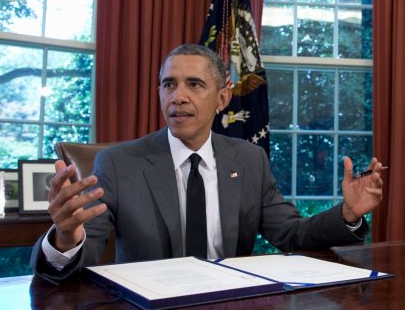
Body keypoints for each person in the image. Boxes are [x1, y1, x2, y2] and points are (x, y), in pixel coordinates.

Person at [31, 44, 384, 283]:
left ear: (222, 98)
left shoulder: (250, 160)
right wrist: (65, 239)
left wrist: (347, 214)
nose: (178, 96)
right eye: (168, 85)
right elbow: (83, 251)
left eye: (194, 84)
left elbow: (291, 234)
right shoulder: (118, 164)